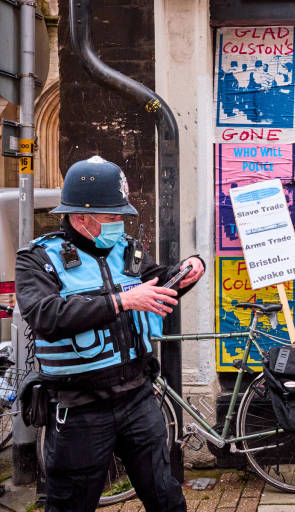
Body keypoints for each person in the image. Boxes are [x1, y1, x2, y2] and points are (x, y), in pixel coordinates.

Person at [14, 156, 205, 512]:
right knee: (71, 504)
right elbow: (45, 315)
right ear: (80, 217)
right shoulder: (38, 259)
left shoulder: (126, 249)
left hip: (138, 398)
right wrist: (121, 301)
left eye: (121, 216)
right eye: (112, 216)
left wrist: (186, 272)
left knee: (166, 497)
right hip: (80, 408)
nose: (120, 223)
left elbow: (156, 284)